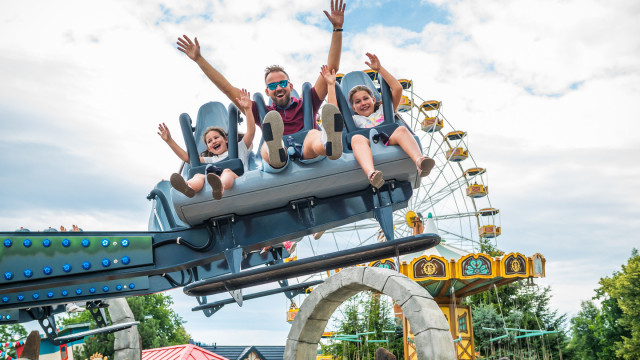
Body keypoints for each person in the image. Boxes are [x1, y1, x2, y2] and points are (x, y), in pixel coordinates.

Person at [176, 0, 346, 172]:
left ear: (290, 85)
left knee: (313, 138)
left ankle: (328, 143)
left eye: (282, 83)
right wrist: (199, 60)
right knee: (266, 147)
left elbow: (331, 69)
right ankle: (276, 153)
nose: (278, 88)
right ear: (267, 91)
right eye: (273, 86)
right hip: (277, 156)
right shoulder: (263, 112)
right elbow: (227, 88)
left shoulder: (307, 104)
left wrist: (337, 30)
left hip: (308, 148)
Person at [344, 53, 435, 188]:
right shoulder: (353, 119)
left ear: (373, 99)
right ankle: (371, 174)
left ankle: (419, 161)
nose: (363, 103)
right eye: (357, 102)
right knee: (356, 139)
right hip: (367, 144)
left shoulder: (384, 109)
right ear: (353, 108)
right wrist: (331, 85)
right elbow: (334, 109)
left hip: (388, 140)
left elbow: (397, 89)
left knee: (401, 130)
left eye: (365, 98)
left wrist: (380, 69)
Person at [159, 89, 255, 199]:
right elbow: (188, 158)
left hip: (238, 181)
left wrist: (248, 109)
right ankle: (188, 187)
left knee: (227, 171)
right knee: (199, 175)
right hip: (213, 188)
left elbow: (251, 132)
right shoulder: (211, 160)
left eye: (216, 137)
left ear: (226, 139)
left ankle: (220, 187)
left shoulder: (239, 148)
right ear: (209, 149)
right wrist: (169, 141)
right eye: (209, 141)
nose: (213, 141)